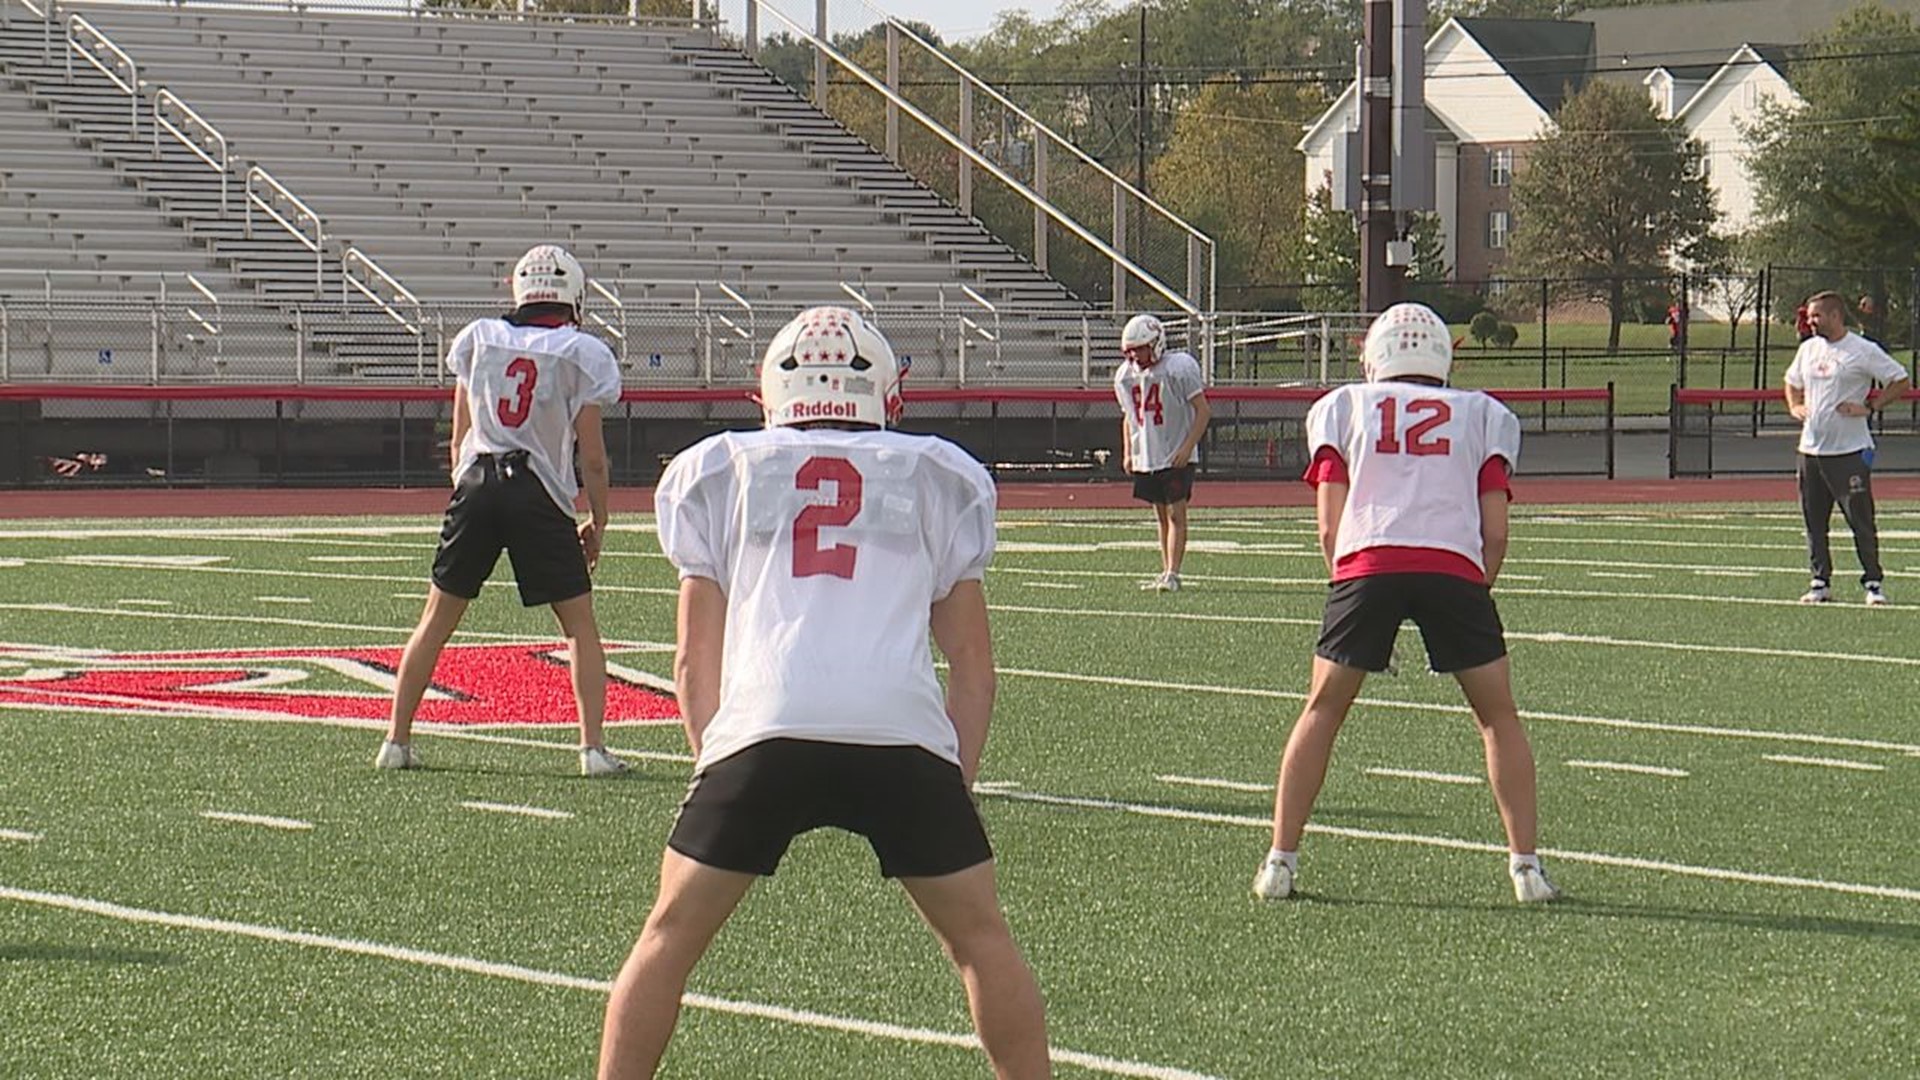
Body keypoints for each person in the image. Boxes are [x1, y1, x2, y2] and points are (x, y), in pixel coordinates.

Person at [599, 307, 1050, 1079]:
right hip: (900, 731)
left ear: (771, 395)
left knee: (666, 940)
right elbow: (973, 669)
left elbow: (688, 660)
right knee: (982, 943)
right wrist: (952, 785)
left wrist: (714, 764)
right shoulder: (937, 473)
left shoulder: (723, 468)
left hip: (763, 726)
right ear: (884, 398)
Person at [1252, 302, 1559, 905]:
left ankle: (1280, 861)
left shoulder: (1344, 406)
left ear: (1375, 356)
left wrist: (1345, 582)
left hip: (1368, 557)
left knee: (1322, 709)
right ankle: (1526, 868)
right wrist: (1475, 586)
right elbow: (1495, 531)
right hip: (1453, 563)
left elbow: (1327, 522)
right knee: (1498, 717)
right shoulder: (1482, 414)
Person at [375, 244, 629, 777]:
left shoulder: (479, 338)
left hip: (477, 480)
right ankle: (592, 749)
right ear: (573, 296)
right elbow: (594, 456)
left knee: (436, 619)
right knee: (579, 625)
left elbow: (458, 437)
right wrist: (599, 520)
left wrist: (465, 489)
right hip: (537, 488)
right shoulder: (582, 352)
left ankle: (395, 740)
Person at [1784, 290, 1910, 605]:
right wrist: (1795, 405)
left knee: (1860, 519)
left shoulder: (1862, 350)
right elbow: (1791, 381)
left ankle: (1873, 583)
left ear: (1835, 316)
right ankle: (1820, 581)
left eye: (1816, 316)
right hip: (1811, 451)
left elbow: (1900, 379)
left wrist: (1872, 407)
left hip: (1850, 452)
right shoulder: (1809, 349)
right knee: (1814, 520)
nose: (1810, 322)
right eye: (1809, 316)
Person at [1113, 313, 1211, 592]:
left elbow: (1203, 411)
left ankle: (1174, 573)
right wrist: (1129, 452)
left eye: (1140, 348)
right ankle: (1165, 569)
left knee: (1176, 514)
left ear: (1155, 343)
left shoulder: (1178, 368)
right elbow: (1128, 417)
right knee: (1160, 515)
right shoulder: (1126, 375)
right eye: (1131, 350)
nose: (1135, 355)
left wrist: (1187, 447)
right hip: (1149, 453)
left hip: (1174, 451)